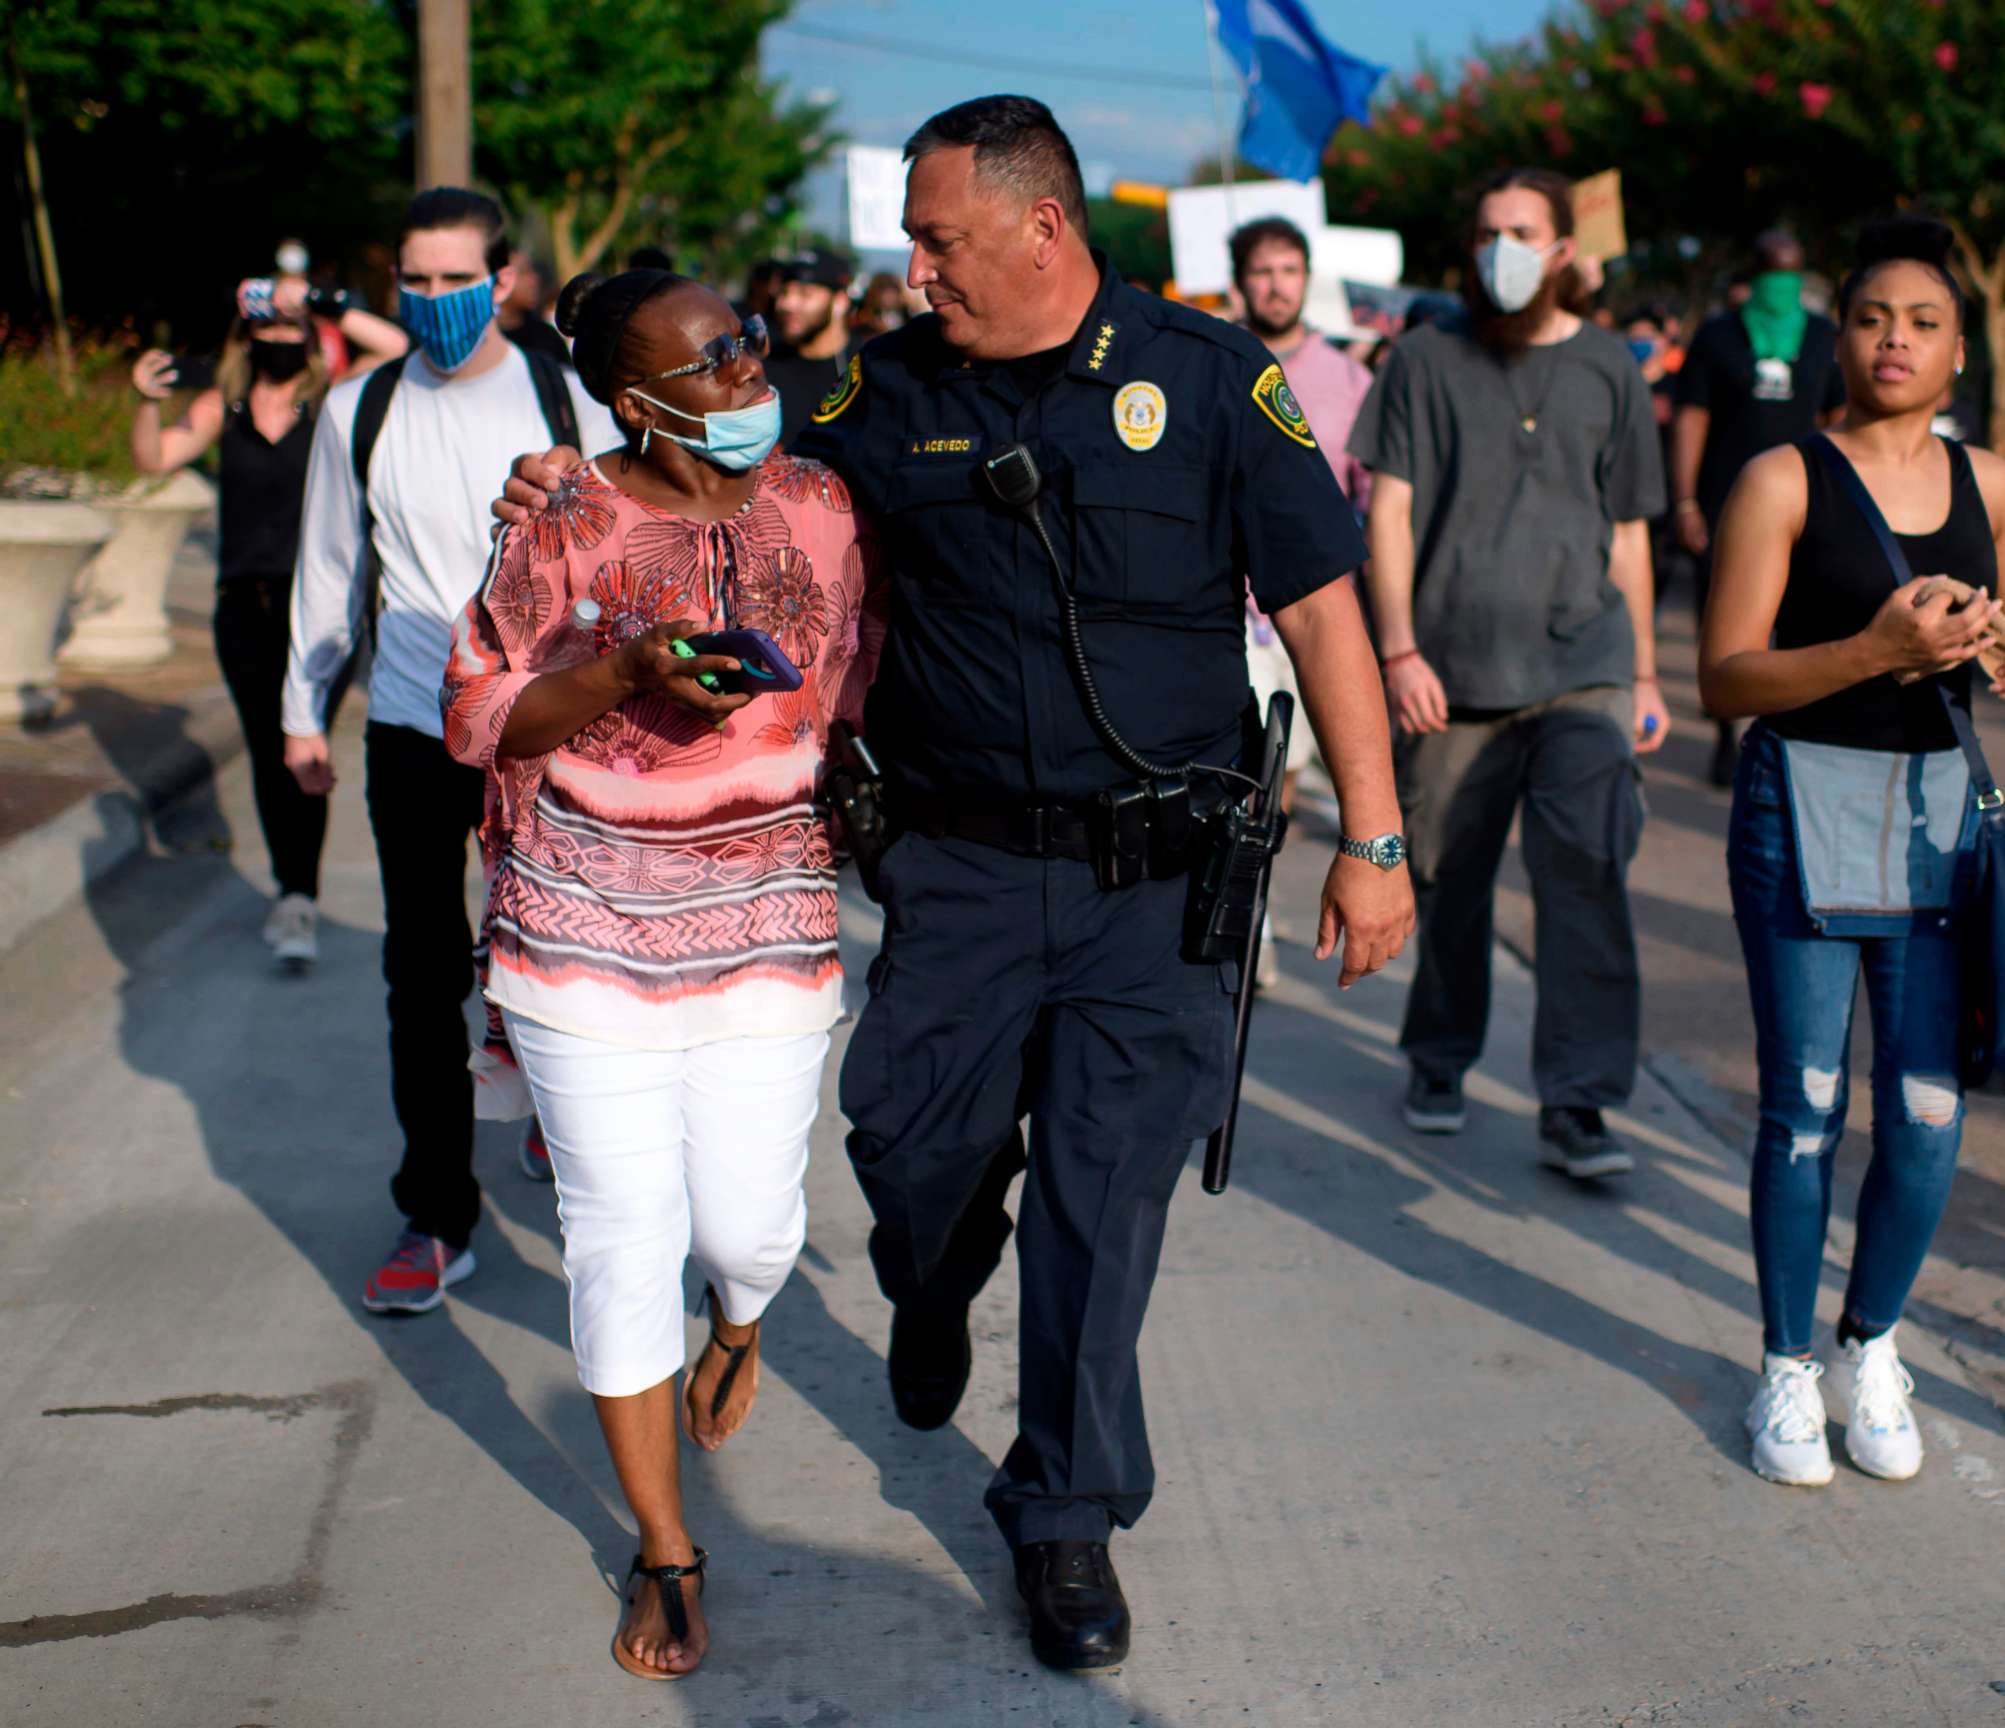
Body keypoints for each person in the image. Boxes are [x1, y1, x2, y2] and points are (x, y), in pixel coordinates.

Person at [496, 94, 1412, 1675]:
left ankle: (1063, 1516)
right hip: (964, 870)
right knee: (910, 1152)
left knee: (1100, 1207)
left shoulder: (1204, 380)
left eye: (939, 240)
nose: (916, 269)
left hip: (1158, 880)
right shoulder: (876, 391)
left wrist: (1376, 841)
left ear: (1040, 224)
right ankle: (932, 1280)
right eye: (913, 242)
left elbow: (1323, 606)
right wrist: (559, 486)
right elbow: (703, 471)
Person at [446, 267, 883, 1680]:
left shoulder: (819, 501)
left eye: (749, 340)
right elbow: (483, 708)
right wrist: (627, 673)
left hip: (769, 922)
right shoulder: (565, 514)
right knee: (621, 1228)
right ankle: (666, 1551)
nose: (750, 369)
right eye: (713, 361)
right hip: (580, 930)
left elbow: (862, 668)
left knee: (751, 1228)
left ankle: (741, 1318)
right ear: (636, 400)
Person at [1697, 216, 2005, 1489]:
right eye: (1871, 319)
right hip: (1798, 805)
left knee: (1925, 1113)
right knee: (1803, 1110)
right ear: (1838, 339)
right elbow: (1723, 678)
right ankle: (1787, 1367)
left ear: (1958, 350)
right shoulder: (1783, 479)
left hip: (1934, 822)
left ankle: (1873, 1344)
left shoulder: (1997, 483)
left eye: (1921, 322)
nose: (1895, 340)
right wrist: (1874, 653)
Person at [283, 187, 618, 1315]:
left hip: (546, 723)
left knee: (563, 963)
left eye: (453, 279)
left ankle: (571, 1150)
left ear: (506, 278)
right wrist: (300, 710)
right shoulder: (358, 409)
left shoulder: (568, 394)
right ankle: (436, 1215)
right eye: (412, 282)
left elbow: (635, 556)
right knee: (421, 971)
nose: (432, 302)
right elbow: (330, 569)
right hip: (413, 728)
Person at [1357, 166, 1668, 1180]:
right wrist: (1397, 649)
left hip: (1586, 666)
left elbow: (1628, 531)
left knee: (1585, 872)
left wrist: (1649, 677)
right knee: (1447, 878)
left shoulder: (1613, 367)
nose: (1505, 249)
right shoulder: (1422, 360)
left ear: (1566, 249)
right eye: (1489, 231)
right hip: (1449, 671)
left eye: (1525, 231)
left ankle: (1581, 1100)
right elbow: (1389, 513)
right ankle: (1441, 1058)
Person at [128, 278, 407, 967]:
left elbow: (400, 347)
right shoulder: (221, 408)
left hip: (321, 613)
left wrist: (318, 299)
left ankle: (296, 899)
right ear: (246, 338)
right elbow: (155, 456)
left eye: (293, 331)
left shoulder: (335, 405)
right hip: (243, 610)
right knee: (269, 751)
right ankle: (295, 893)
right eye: (268, 330)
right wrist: (144, 400)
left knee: (302, 752)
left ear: (311, 339)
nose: (281, 340)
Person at [1230, 214, 1376, 987]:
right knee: (1237, 776)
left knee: (1277, 786)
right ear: (1240, 280)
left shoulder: (1351, 380)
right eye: (1262, 270)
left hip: (1312, 620)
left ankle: (1255, 900)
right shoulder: (1217, 360)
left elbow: (1372, 498)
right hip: (1233, 617)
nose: (1276, 284)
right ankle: (1246, 929)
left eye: (1290, 269)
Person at [1675, 233, 1849, 785]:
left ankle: (1780, 740)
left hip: (1805, 509)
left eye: (1792, 276)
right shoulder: (1718, 336)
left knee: (1799, 627)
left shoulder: (1825, 338)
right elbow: (1691, 419)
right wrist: (1684, 503)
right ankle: (1727, 734)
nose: (1782, 288)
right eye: (1773, 274)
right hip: (1725, 506)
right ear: (1753, 277)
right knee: (1727, 628)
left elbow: (1839, 417)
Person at [762, 248, 854, 426]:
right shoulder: (763, 367)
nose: (787, 304)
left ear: (840, 302)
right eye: (783, 293)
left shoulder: (867, 365)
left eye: (804, 294)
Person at [498, 247, 572, 367]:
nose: (534, 279)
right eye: (523, 272)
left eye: (531, 270)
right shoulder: (483, 345)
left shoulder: (546, 338)